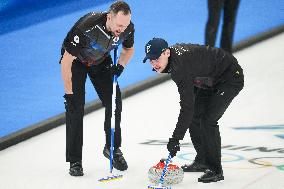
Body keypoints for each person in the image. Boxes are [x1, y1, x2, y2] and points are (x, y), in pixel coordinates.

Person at [143, 38, 244, 183]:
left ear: (166, 53)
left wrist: (175, 139)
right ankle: (202, 160)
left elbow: (186, 107)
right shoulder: (173, 60)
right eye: (150, 60)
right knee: (195, 116)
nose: (154, 64)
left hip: (229, 77)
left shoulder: (180, 67)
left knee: (208, 121)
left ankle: (216, 170)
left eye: (156, 59)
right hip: (208, 78)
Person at [60, 1, 134, 176]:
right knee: (75, 108)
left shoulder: (128, 28)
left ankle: (112, 148)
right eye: (119, 25)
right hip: (76, 63)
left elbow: (128, 49)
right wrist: (69, 92)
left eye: (125, 25)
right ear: (109, 17)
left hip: (100, 62)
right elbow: (66, 61)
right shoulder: (86, 28)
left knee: (115, 102)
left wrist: (121, 66)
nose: (122, 29)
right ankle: (75, 160)